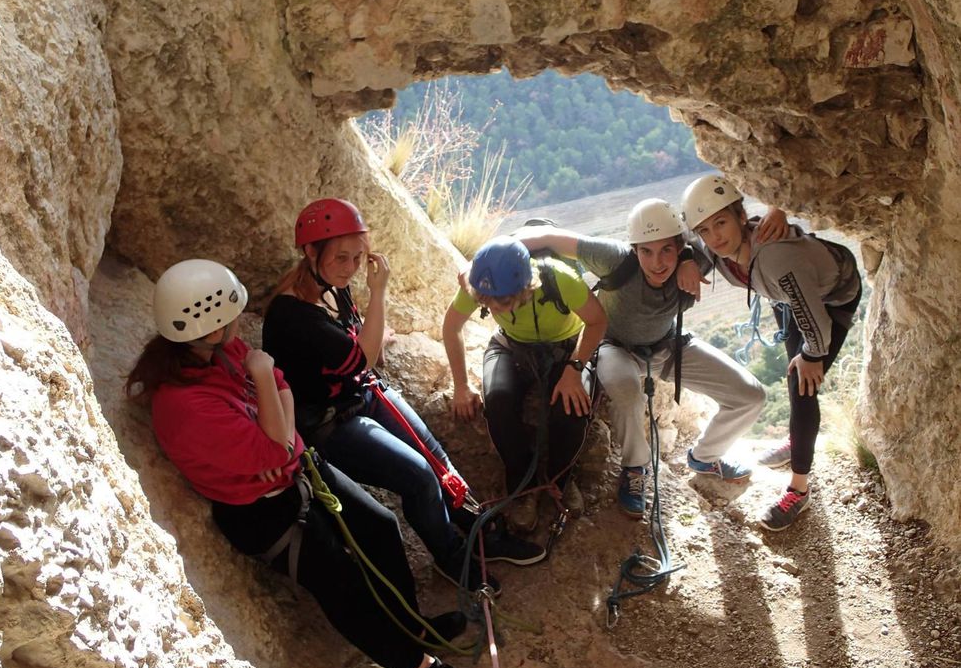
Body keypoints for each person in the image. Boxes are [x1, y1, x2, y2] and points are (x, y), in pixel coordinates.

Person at [126, 259, 477, 668]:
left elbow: (279, 388)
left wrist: (280, 427)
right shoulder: (186, 405)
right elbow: (274, 432)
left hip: (297, 473)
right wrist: (274, 415)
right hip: (262, 513)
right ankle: (416, 664)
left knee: (380, 527)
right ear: (211, 326)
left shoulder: (219, 352)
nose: (238, 322)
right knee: (343, 587)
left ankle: (413, 624)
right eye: (230, 317)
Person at [262, 199, 546, 596]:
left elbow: (362, 344)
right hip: (327, 423)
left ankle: (483, 533)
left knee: (436, 458)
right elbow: (364, 354)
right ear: (310, 252)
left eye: (358, 258)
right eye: (341, 257)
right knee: (417, 476)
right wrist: (379, 293)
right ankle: (453, 558)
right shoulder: (293, 314)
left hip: (361, 393)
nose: (352, 268)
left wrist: (371, 325)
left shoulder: (332, 289)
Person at [514, 198, 774, 518]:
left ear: (680, 246)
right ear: (634, 249)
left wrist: (779, 212)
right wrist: (489, 259)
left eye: (667, 250)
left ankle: (706, 455)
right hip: (613, 345)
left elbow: (739, 232)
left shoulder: (697, 255)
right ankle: (635, 470)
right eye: (646, 251)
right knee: (626, 391)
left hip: (666, 345)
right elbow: (549, 239)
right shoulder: (615, 258)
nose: (657, 263)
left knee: (751, 394)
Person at [681, 175, 862, 531]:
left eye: (721, 223)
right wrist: (688, 258)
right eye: (706, 230)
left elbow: (817, 326)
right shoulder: (716, 248)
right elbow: (684, 240)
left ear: (740, 216)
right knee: (794, 368)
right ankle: (798, 440)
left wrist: (812, 356)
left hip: (832, 295)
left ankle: (799, 489)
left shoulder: (777, 258)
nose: (715, 237)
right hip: (790, 294)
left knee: (802, 383)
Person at [442, 234, 608, 532]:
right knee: (498, 403)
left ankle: (559, 481)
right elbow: (452, 325)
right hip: (511, 346)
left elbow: (597, 321)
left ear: (527, 286)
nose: (495, 309)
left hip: (566, 348)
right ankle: (522, 488)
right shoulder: (481, 283)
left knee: (572, 410)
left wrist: (575, 368)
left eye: (503, 302)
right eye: (488, 304)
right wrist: (461, 385)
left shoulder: (558, 278)